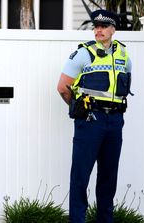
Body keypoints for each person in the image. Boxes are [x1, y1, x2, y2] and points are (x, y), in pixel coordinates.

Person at [57, 9, 133, 223]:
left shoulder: (124, 55)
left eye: (104, 26)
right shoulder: (83, 53)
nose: (98, 30)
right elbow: (63, 87)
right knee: (81, 176)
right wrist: (79, 107)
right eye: (96, 26)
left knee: (109, 177)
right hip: (90, 121)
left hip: (115, 121)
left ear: (113, 30)